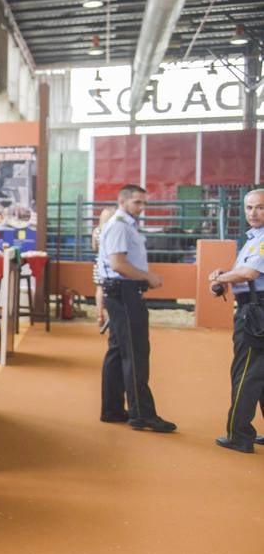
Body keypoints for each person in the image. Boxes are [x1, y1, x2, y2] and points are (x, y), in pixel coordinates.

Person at [97, 184, 176, 432]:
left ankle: (112, 409)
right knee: (135, 353)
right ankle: (142, 414)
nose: (142, 208)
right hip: (125, 294)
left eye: (144, 203)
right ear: (122, 201)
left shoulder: (124, 225)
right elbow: (118, 263)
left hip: (120, 292)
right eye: (137, 202)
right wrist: (147, 276)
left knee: (118, 351)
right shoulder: (120, 226)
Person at [206, 188, 264, 454]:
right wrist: (227, 274)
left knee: (245, 374)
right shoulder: (253, 238)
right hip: (253, 307)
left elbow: (250, 272)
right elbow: (243, 271)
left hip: (255, 312)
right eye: (249, 207)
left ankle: (239, 434)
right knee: (259, 373)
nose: (253, 212)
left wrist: (220, 278)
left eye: (260, 207)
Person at [91, 206, 116, 333]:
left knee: (99, 288)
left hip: (99, 263)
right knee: (113, 290)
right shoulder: (114, 231)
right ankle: (112, 316)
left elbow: (94, 247)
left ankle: (100, 315)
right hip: (112, 264)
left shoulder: (97, 231)